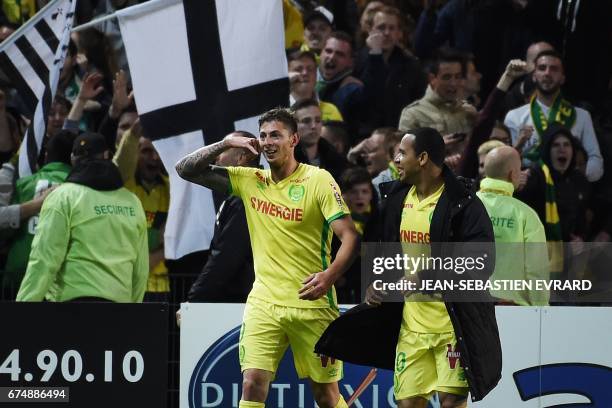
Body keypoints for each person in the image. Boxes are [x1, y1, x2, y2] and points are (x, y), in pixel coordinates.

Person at [175, 108, 359, 408]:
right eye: (263, 135)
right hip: (264, 304)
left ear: (294, 139)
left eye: (276, 135)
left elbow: (350, 237)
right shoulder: (250, 181)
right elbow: (185, 169)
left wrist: (329, 277)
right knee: (252, 383)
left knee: (326, 395)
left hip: (311, 303)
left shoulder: (319, 181)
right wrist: (225, 144)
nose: (268, 141)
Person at [316, 127, 501, 407]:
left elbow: (480, 260)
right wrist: (377, 283)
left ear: (423, 158)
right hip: (411, 325)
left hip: (453, 324)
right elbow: (389, 253)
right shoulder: (397, 200)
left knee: (451, 403)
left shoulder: (463, 203)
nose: (397, 160)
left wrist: (423, 277)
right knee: (408, 404)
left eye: (402, 153)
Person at [16, 132, 148, 302]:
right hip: (119, 311)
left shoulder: (62, 197)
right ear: (107, 155)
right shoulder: (133, 202)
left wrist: (23, 310)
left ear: (72, 158)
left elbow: (44, 259)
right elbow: (141, 269)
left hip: (72, 310)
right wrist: (133, 308)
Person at [504, 50, 603, 182]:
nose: (547, 73)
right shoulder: (514, 116)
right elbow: (504, 162)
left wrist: (571, 176)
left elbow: (596, 161)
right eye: (542, 68)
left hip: (569, 192)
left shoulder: (582, 116)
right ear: (534, 76)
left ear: (562, 78)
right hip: (529, 189)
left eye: (554, 69)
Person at [187, 131, 259, 303]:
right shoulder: (248, 193)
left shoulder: (243, 199)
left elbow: (227, 256)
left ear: (241, 157)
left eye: (223, 150)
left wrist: (196, 299)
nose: (215, 158)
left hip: (239, 301)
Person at [2, 131, 74, 299]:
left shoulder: (24, 184)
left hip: (19, 274)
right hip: (61, 278)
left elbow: (5, 230)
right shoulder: (81, 189)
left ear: (46, 154)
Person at [477, 146, 549, 305]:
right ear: (512, 174)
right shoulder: (526, 215)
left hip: (465, 309)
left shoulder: (462, 208)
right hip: (512, 310)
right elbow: (536, 271)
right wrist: (542, 309)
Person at [355, 6, 427, 131]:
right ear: (370, 30)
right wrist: (375, 54)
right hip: (366, 134)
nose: (387, 33)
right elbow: (371, 96)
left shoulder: (411, 65)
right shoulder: (357, 61)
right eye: (381, 27)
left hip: (399, 133)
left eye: (392, 28)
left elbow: (419, 103)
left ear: (399, 33)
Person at [398, 49, 476, 147]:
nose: (453, 83)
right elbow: (406, 155)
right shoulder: (412, 114)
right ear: (432, 79)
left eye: (458, 77)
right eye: (447, 77)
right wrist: (436, 147)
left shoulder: (468, 112)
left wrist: (478, 120)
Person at [317, 31, 367, 138]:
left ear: (350, 62)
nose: (332, 57)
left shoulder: (354, 91)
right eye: (328, 51)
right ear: (321, 53)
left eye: (340, 54)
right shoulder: (304, 79)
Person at [292, 99, 348, 181]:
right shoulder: (285, 160)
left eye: (318, 120)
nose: (314, 126)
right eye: (306, 121)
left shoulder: (335, 159)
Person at [288, 50, 343, 122]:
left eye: (310, 69)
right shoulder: (277, 109)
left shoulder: (331, 110)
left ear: (316, 74)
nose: (305, 73)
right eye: (298, 69)